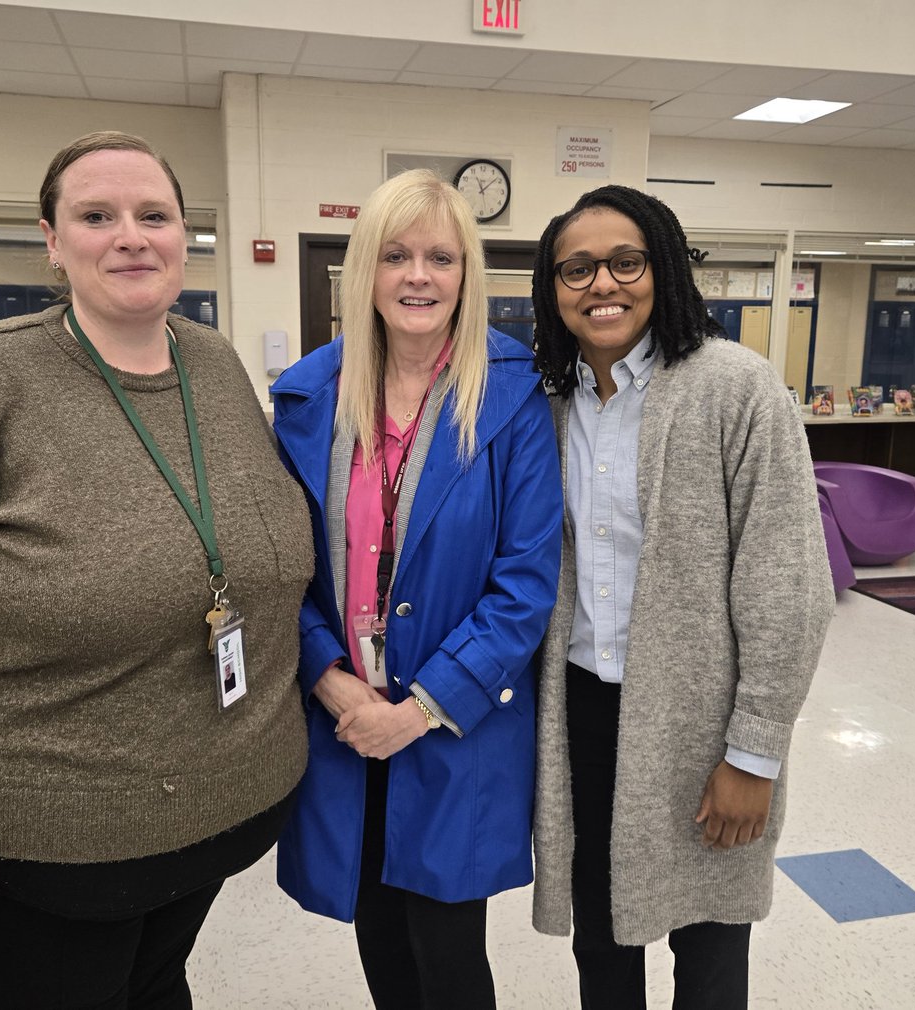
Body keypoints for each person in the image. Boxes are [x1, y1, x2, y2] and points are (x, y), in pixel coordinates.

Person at [0, 131, 313, 1010]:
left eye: (153, 214)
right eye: (96, 216)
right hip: (45, 847)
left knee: (158, 988)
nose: (130, 235)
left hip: (212, 819)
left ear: (183, 235)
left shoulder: (214, 363)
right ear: (51, 240)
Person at [529, 184, 835, 1010]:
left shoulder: (735, 387)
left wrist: (756, 751)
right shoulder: (545, 404)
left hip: (704, 718)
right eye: (577, 268)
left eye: (625, 262)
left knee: (709, 946)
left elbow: (788, 584)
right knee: (602, 937)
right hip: (582, 711)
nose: (603, 285)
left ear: (661, 268)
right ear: (551, 288)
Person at [271, 169, 562, 1009]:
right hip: (343, 722)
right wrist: (329, 682)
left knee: (448, 953)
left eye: (441, 256)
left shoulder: (511, 398)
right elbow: (278, 565)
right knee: (378, 933)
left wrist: (417, 709)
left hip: (452, 723)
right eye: (396, 255)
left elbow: (524, 584)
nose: (418, 276)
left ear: (467, 274)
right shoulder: (307, 399)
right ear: (365, 270)